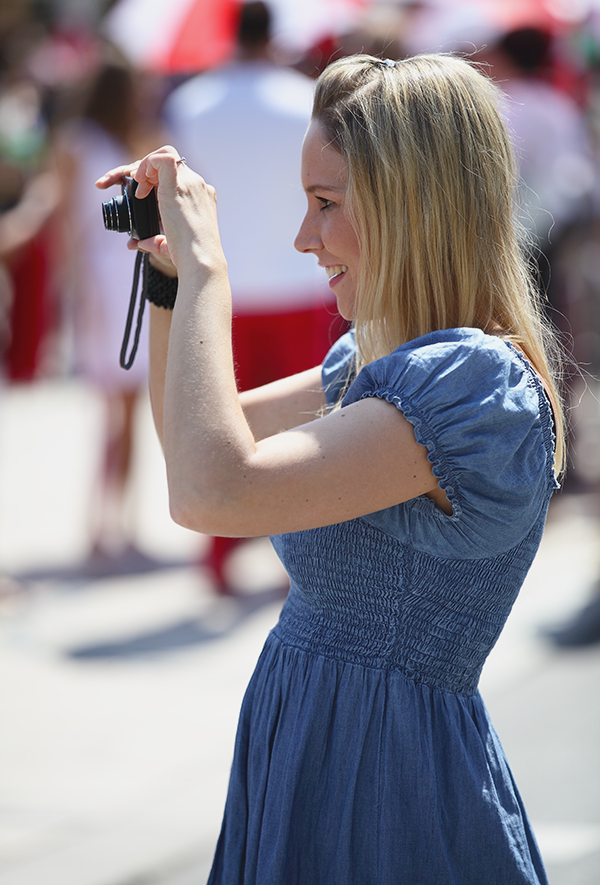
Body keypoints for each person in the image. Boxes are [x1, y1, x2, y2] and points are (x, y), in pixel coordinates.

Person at [97, 53, 565, 884]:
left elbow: (215, 490)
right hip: (312, 752)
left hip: (394, 790)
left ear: (412, 206)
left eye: (325, 204)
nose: (304, 237)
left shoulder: (475, 385)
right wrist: (170, 280)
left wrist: (212, 272)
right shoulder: (379, 356)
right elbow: (195, 451)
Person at [163, 0, 343, 593]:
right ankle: (300, 555)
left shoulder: (191, 101)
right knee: (304, 429)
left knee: (218, 418)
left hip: (226, 281)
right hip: (299, 278)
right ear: (275, 35)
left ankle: (218, 553)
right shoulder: (305, 98)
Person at [54, 61, 164, 569]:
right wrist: (76, 292)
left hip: (128, 273)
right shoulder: (81, 142)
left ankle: (121, 526)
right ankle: (101, 527)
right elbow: (70, 225)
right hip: (105, 281)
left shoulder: (135, 139)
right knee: (114, 415)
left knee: (129, 412)